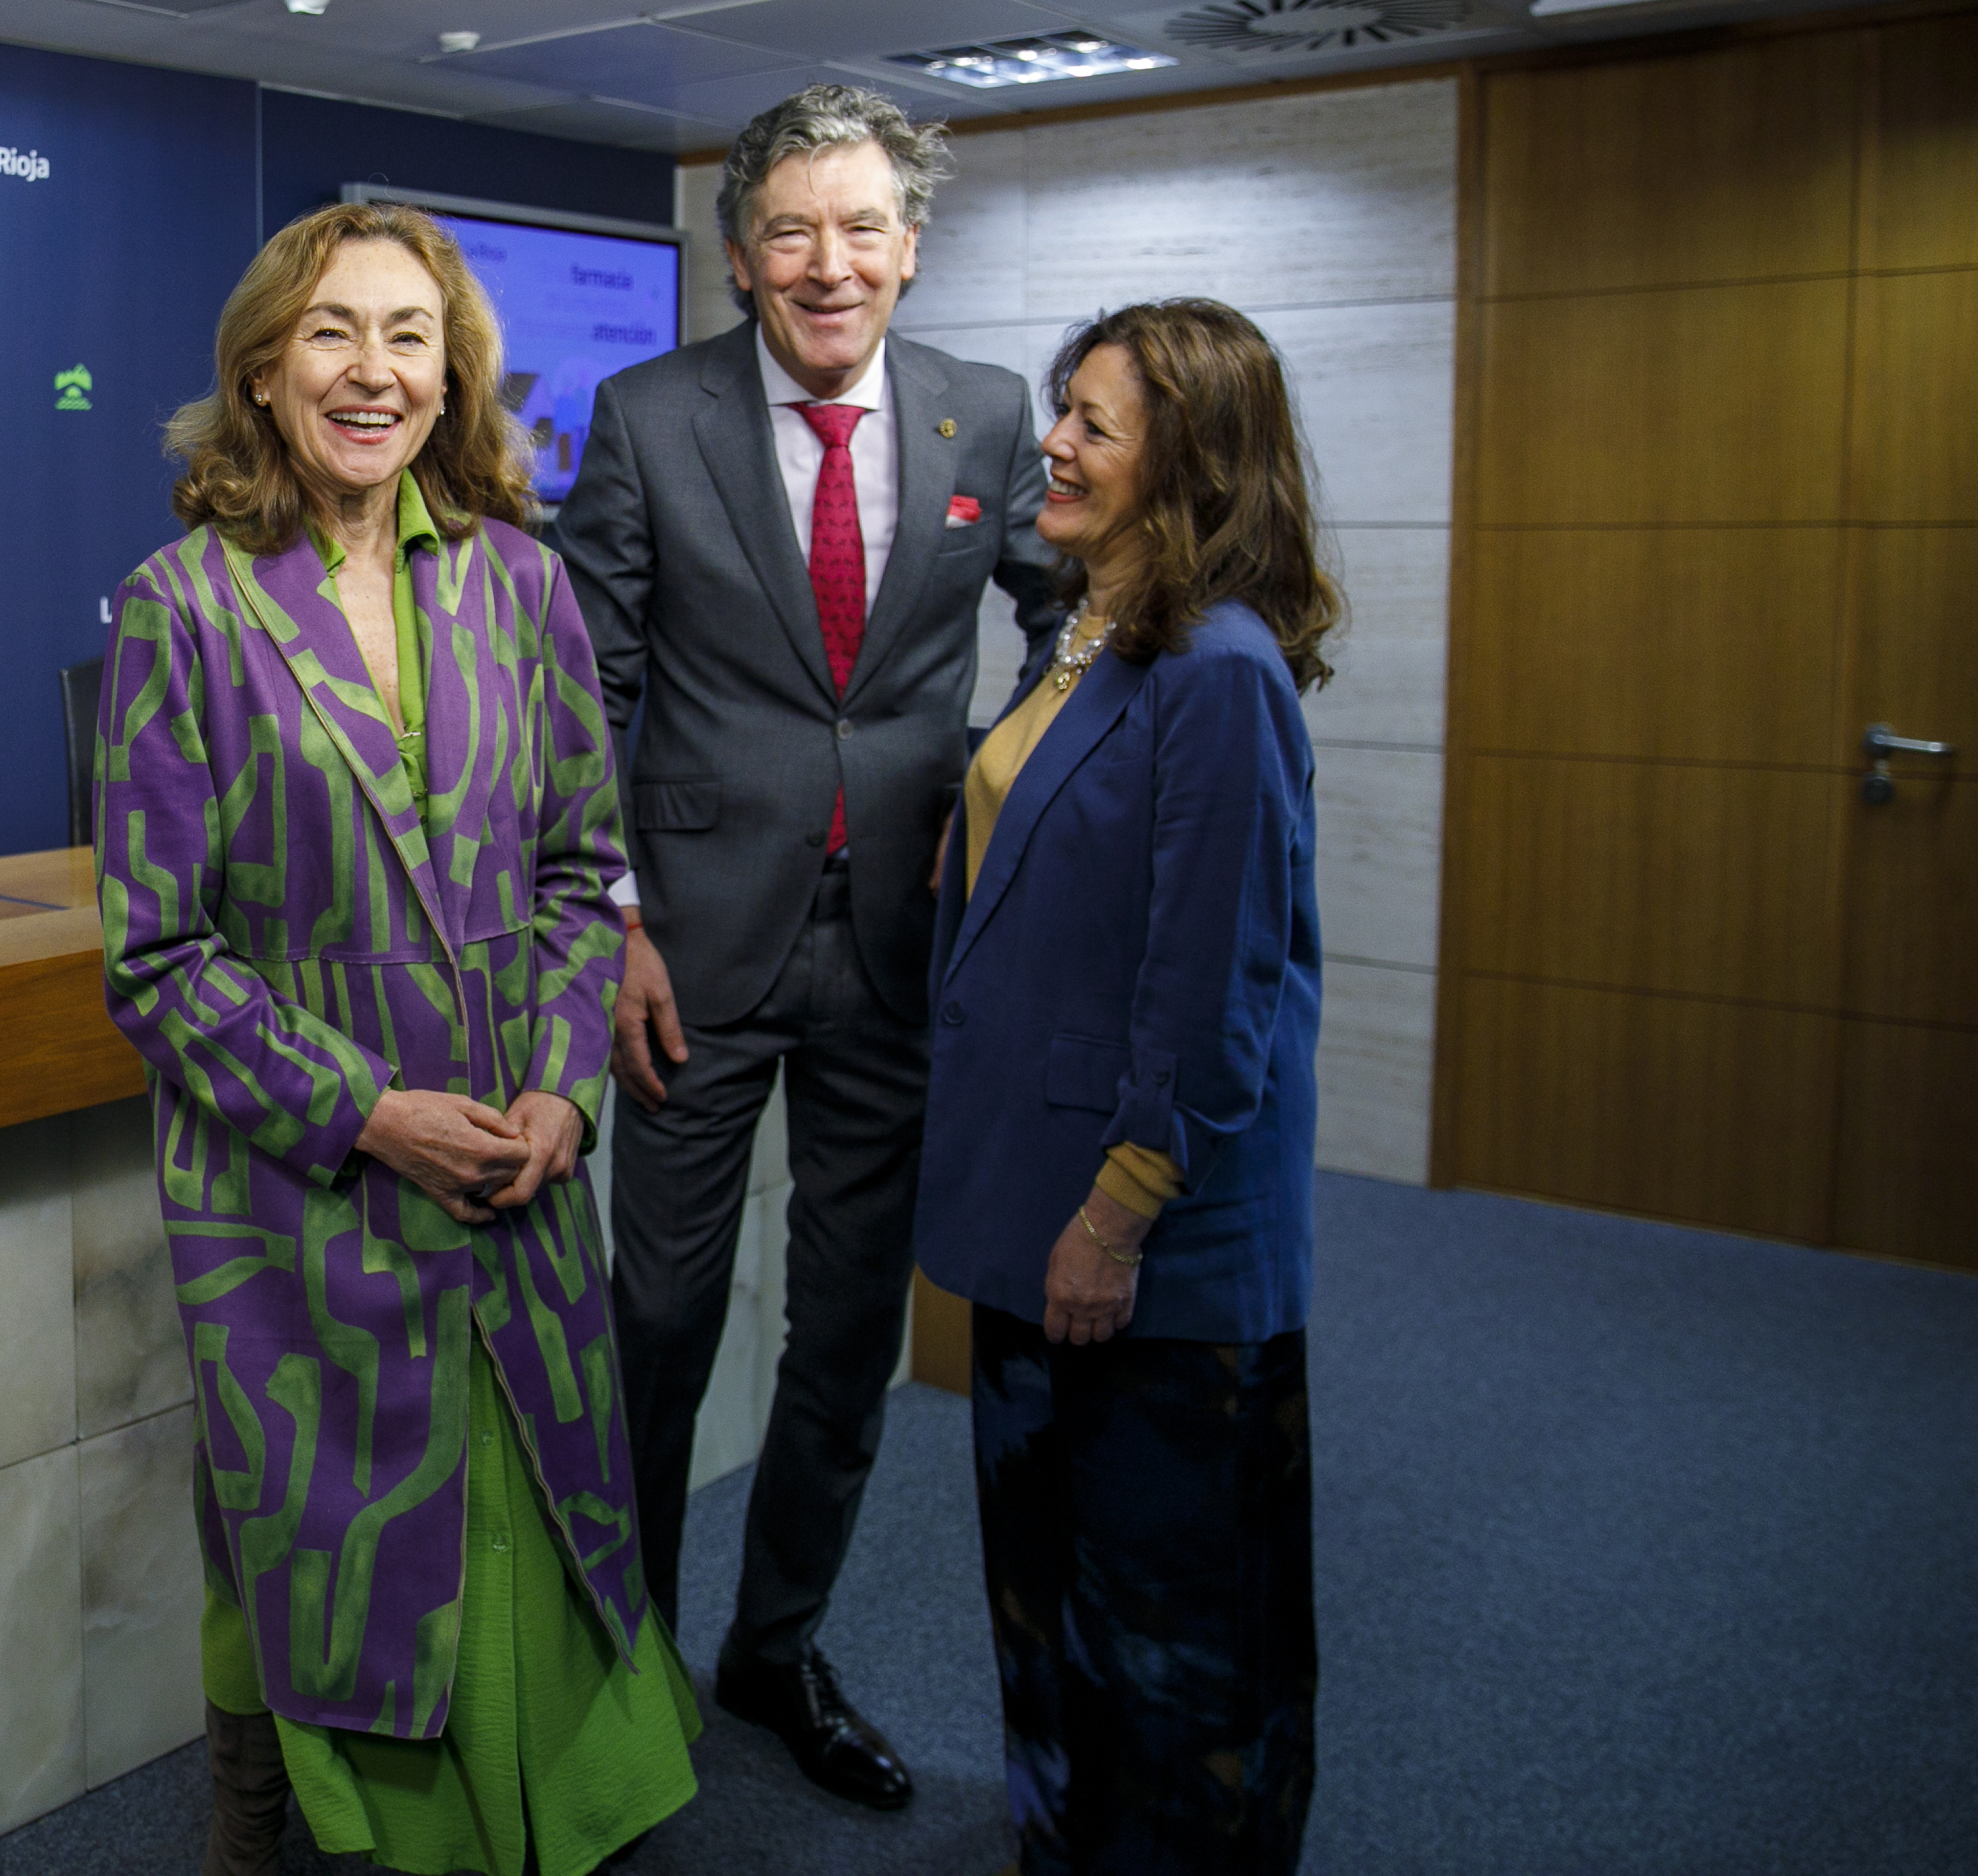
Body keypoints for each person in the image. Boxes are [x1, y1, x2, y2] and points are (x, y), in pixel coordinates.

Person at [96, 201, 695, 1876]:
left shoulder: (525, 584)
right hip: (303, 1197)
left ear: (454, 376)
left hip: (517, 1171)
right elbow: (156, 958)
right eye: (334, 334)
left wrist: (566, 1087)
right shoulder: (186, 613)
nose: (373, 371)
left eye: (409, 336)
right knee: (333, 1554)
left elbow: (586, 875)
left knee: (534, 1529)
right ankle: (284, 1826)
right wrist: (371, 1114)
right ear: (265, 375)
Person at [554, 82, 1060, 1810]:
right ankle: (623, 1668)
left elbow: (1071, 634)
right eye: (791, 229)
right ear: (742, 255)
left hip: (905, 954)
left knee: (848, 1335)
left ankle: (777, 1648)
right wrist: (611, 914)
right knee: (661, 1324)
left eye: (862, 229)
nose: (827, 264)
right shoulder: (646, 416)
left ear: (912, 250)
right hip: (690, 953)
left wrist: (1008, 819)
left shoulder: (991, 419)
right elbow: (586, 697)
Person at [916, 299, 1333, 1875]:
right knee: (1052, 1611)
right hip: (1040, 1208)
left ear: (1193, 466)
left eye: (1095, 423)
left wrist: (1117, 1215)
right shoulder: (1092, 628)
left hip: (1147, 1256)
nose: (1057, 445)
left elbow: (1214, 993)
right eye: (1061, 410)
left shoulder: (1220, 674)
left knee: (1176, 1661)